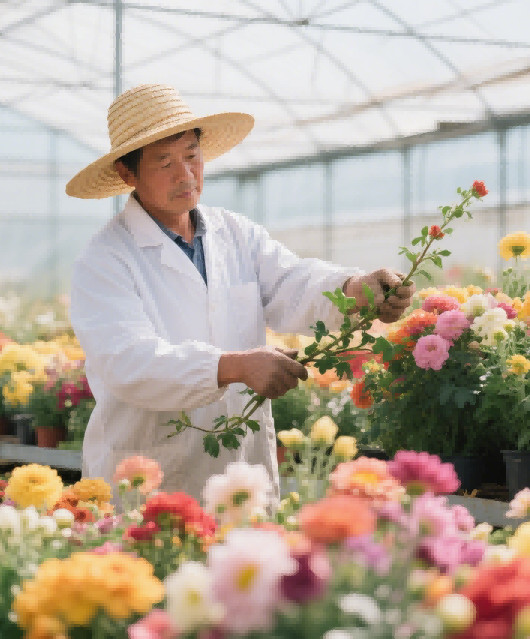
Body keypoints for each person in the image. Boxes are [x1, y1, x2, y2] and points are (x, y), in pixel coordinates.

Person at [66, 84, 412, 503]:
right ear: (127, 174)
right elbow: (128, 361)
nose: (185, 174)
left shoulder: (234, 233)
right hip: (149, 476)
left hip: (241, 471)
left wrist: (356, 290)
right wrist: (232, 367)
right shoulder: (105, 259)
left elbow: (291, 282)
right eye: (164, 162)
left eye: (191, 155)